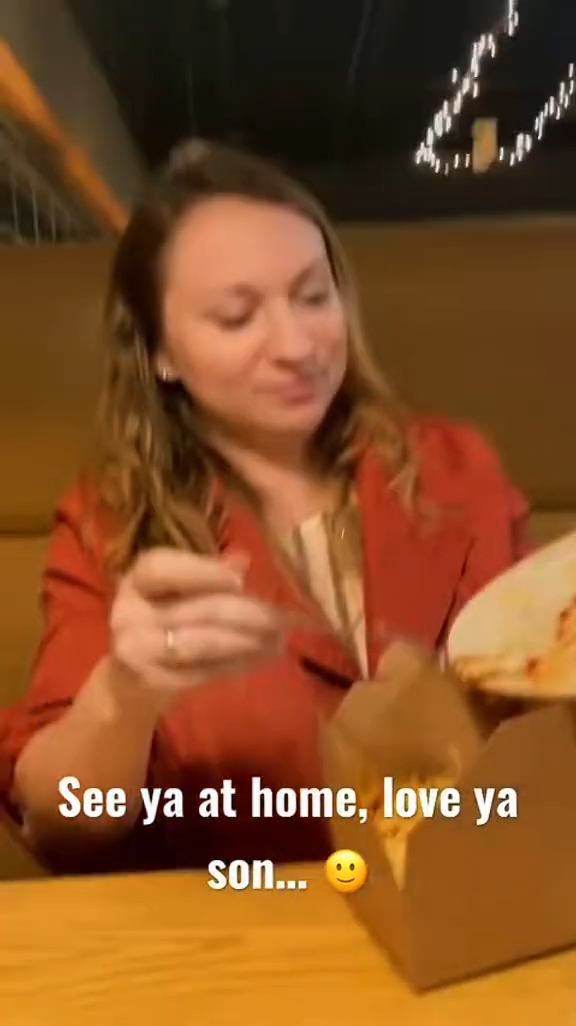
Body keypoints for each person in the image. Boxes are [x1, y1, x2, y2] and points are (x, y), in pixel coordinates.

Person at [0, 139, 531, 874]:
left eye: (314, 297)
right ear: (160, 352)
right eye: (237, 316)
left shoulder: (455, 470)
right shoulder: (110, 526)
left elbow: (540, 709)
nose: (297, 344)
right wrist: (126, 694)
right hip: (250, 931)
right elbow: (63, 822)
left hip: (473, 903)